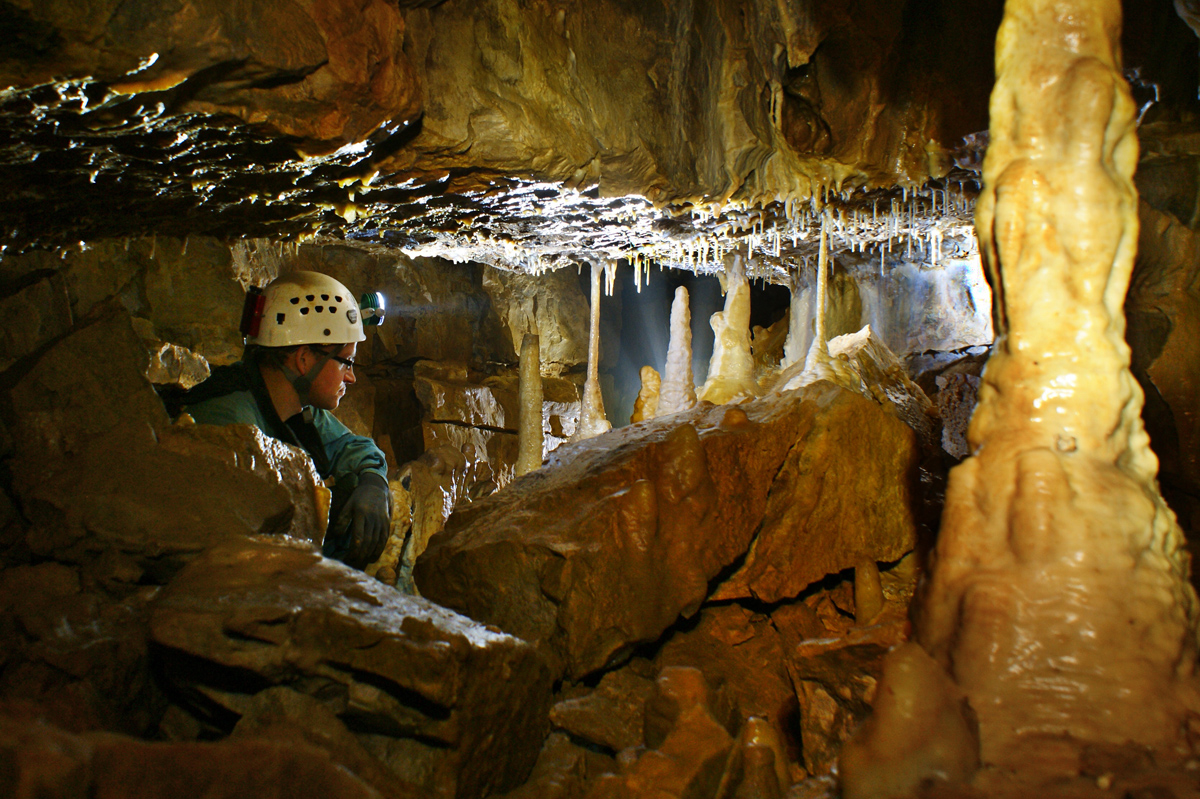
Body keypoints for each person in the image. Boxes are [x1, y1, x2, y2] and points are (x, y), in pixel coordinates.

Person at [174, 271, 391, 568]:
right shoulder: (229, 427)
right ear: (303, 360)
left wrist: (373, 482)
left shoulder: (299, 410)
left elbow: (353, 447)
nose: (351, 377)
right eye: (347, 363)